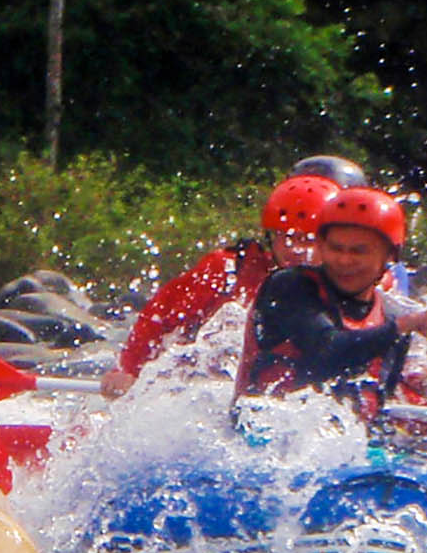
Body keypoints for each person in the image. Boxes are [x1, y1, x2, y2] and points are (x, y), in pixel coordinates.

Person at [101, 160, 366, 395]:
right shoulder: (229, 269)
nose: (295, 249)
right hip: (213, 390)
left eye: (307, 239)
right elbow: (159, 318)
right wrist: (129, 370)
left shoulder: (364, 284)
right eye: (285, 237)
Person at [237, 186, 427, 424]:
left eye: (359, 251)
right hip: (262, 433)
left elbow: (380, 405)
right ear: (321, 246)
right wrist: (409, 324)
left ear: (391, 256)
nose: (344, 260)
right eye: (335, 248)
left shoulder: (392, 318)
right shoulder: (289, 286)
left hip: (341, 438)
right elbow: (327, 354)